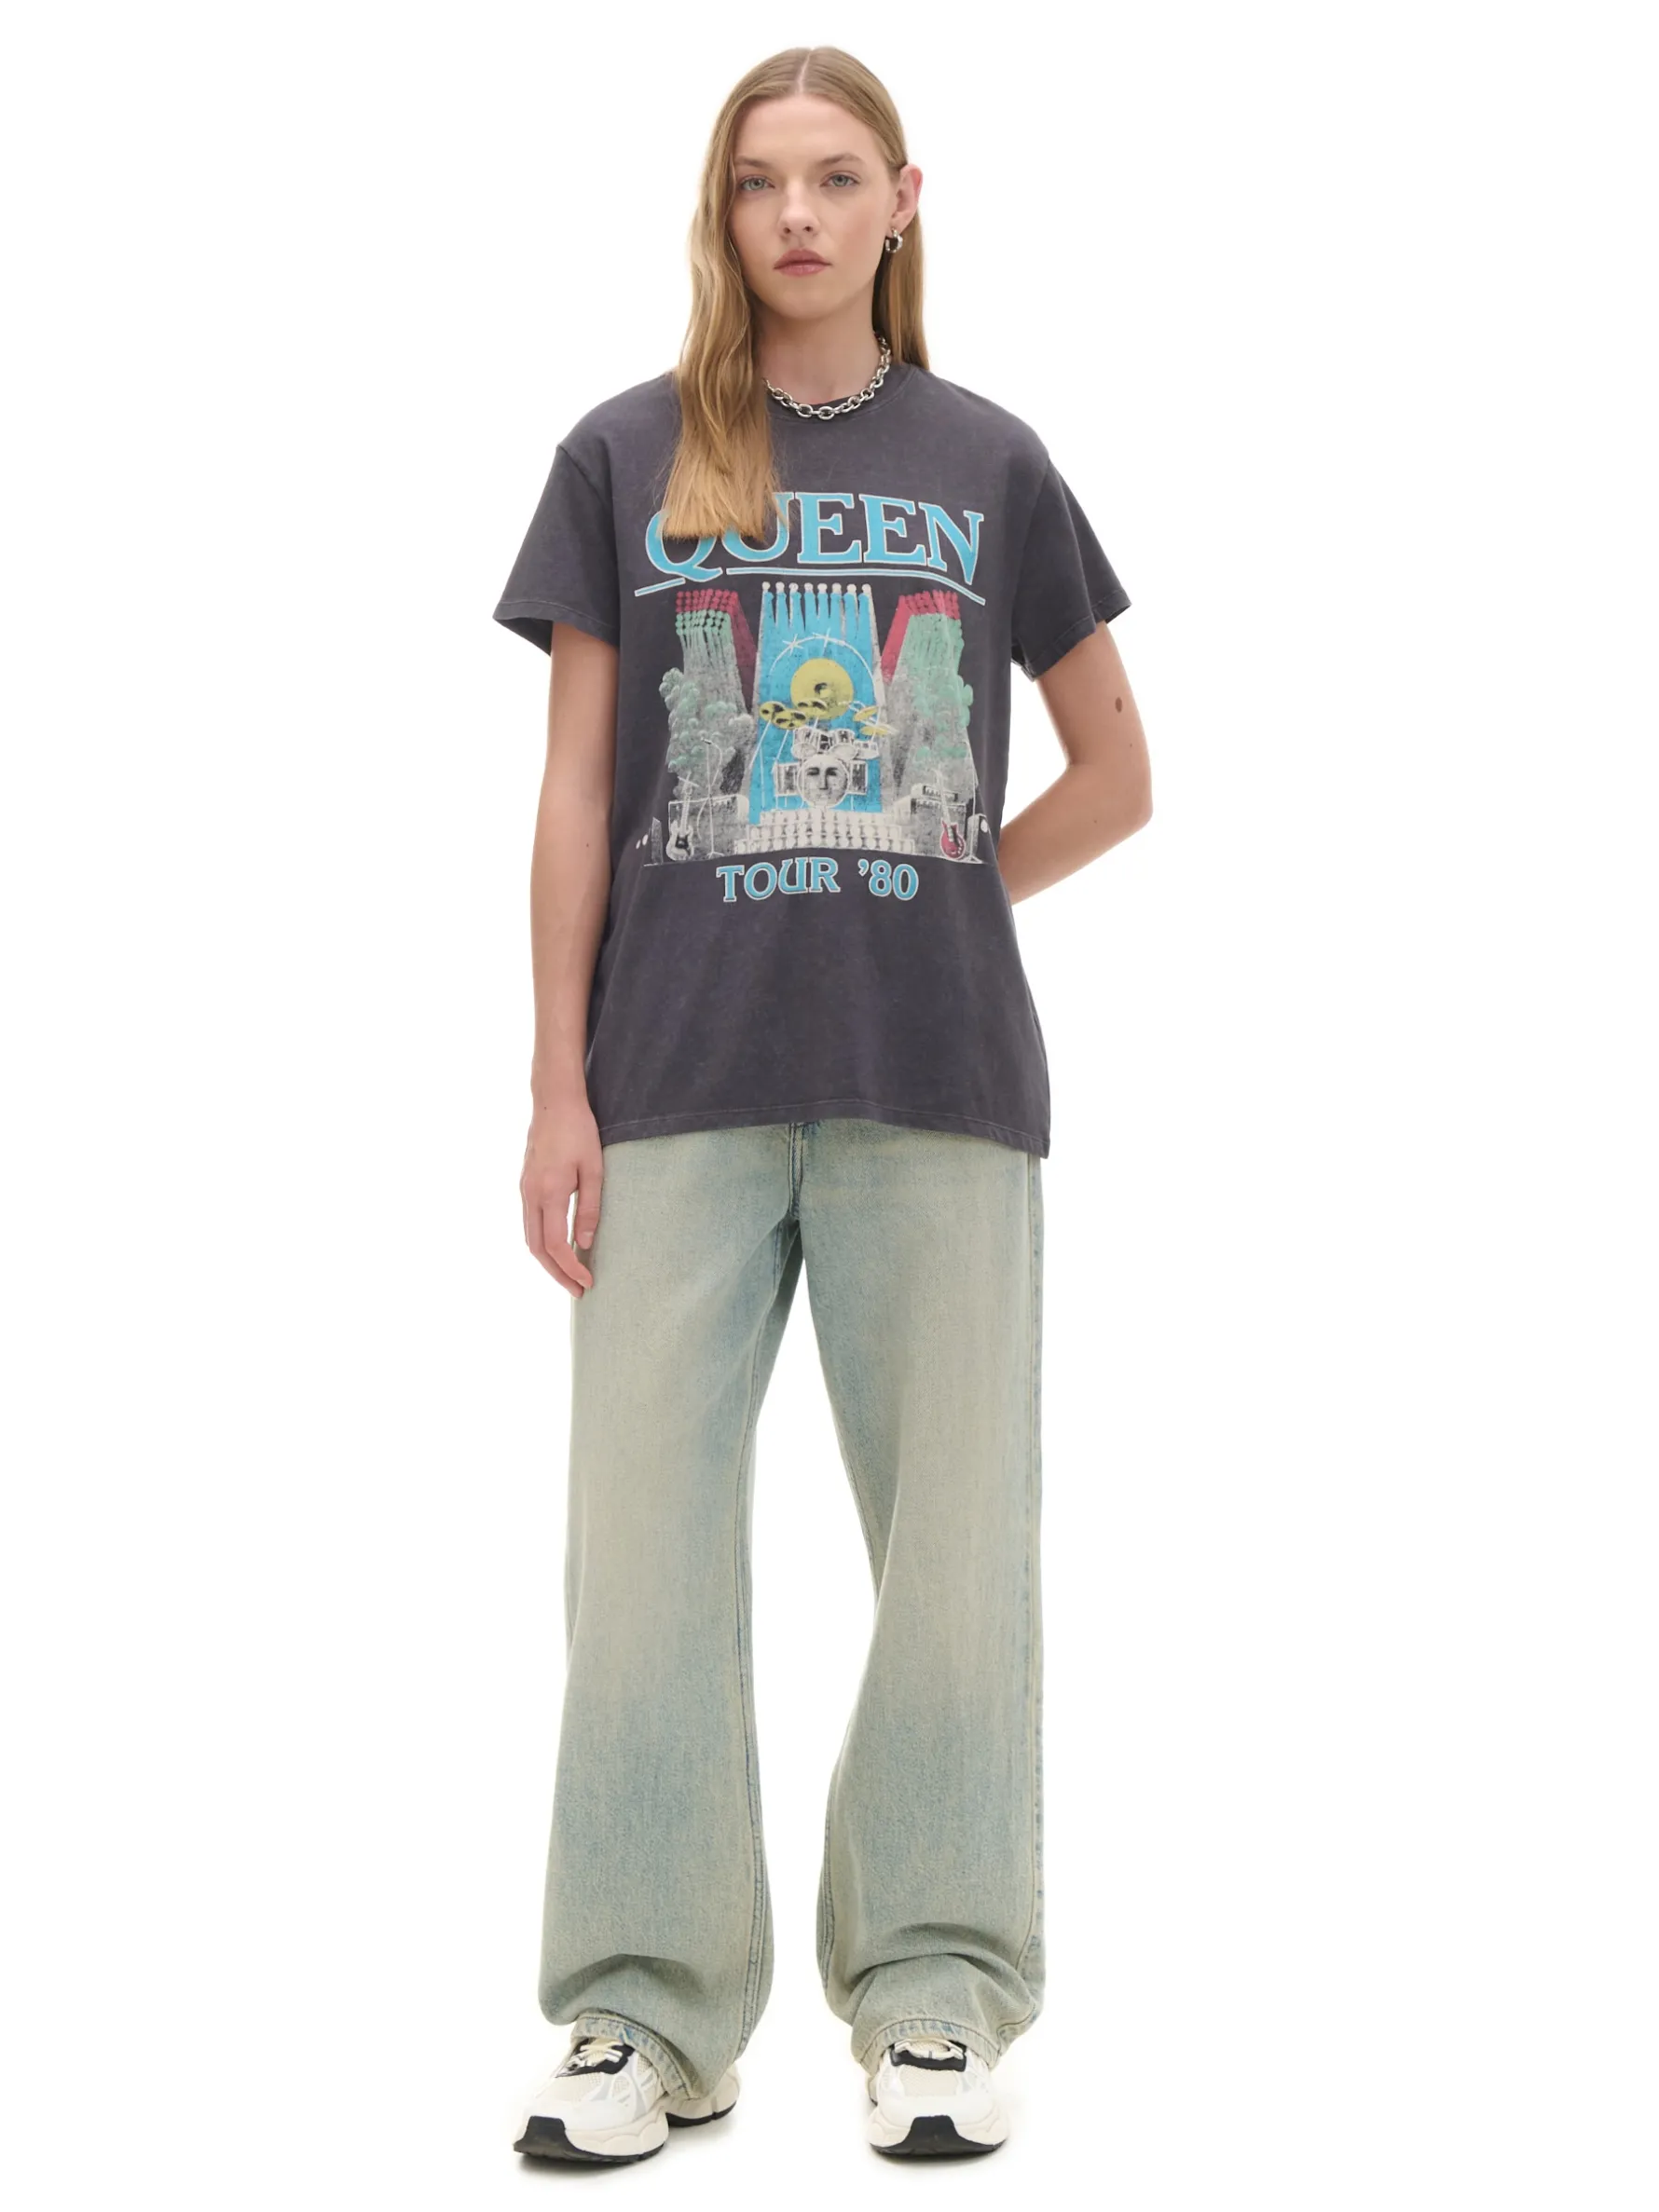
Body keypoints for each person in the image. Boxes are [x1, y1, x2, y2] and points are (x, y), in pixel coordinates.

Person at [492, 44, 1152, 2164]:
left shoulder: (990, 462)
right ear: (723, 208)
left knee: (955, 1551)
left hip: (935, 1080)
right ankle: (640, 2012)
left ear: (901, 201)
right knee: (641, 1554)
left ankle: (936, 1992)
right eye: (761, 180)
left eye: (836, 176)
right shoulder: (624, 453)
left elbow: (1118, 773)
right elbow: (577, 793)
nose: (797, 213)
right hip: (671, 1080)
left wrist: (943, 878)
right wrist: (553, 1082)